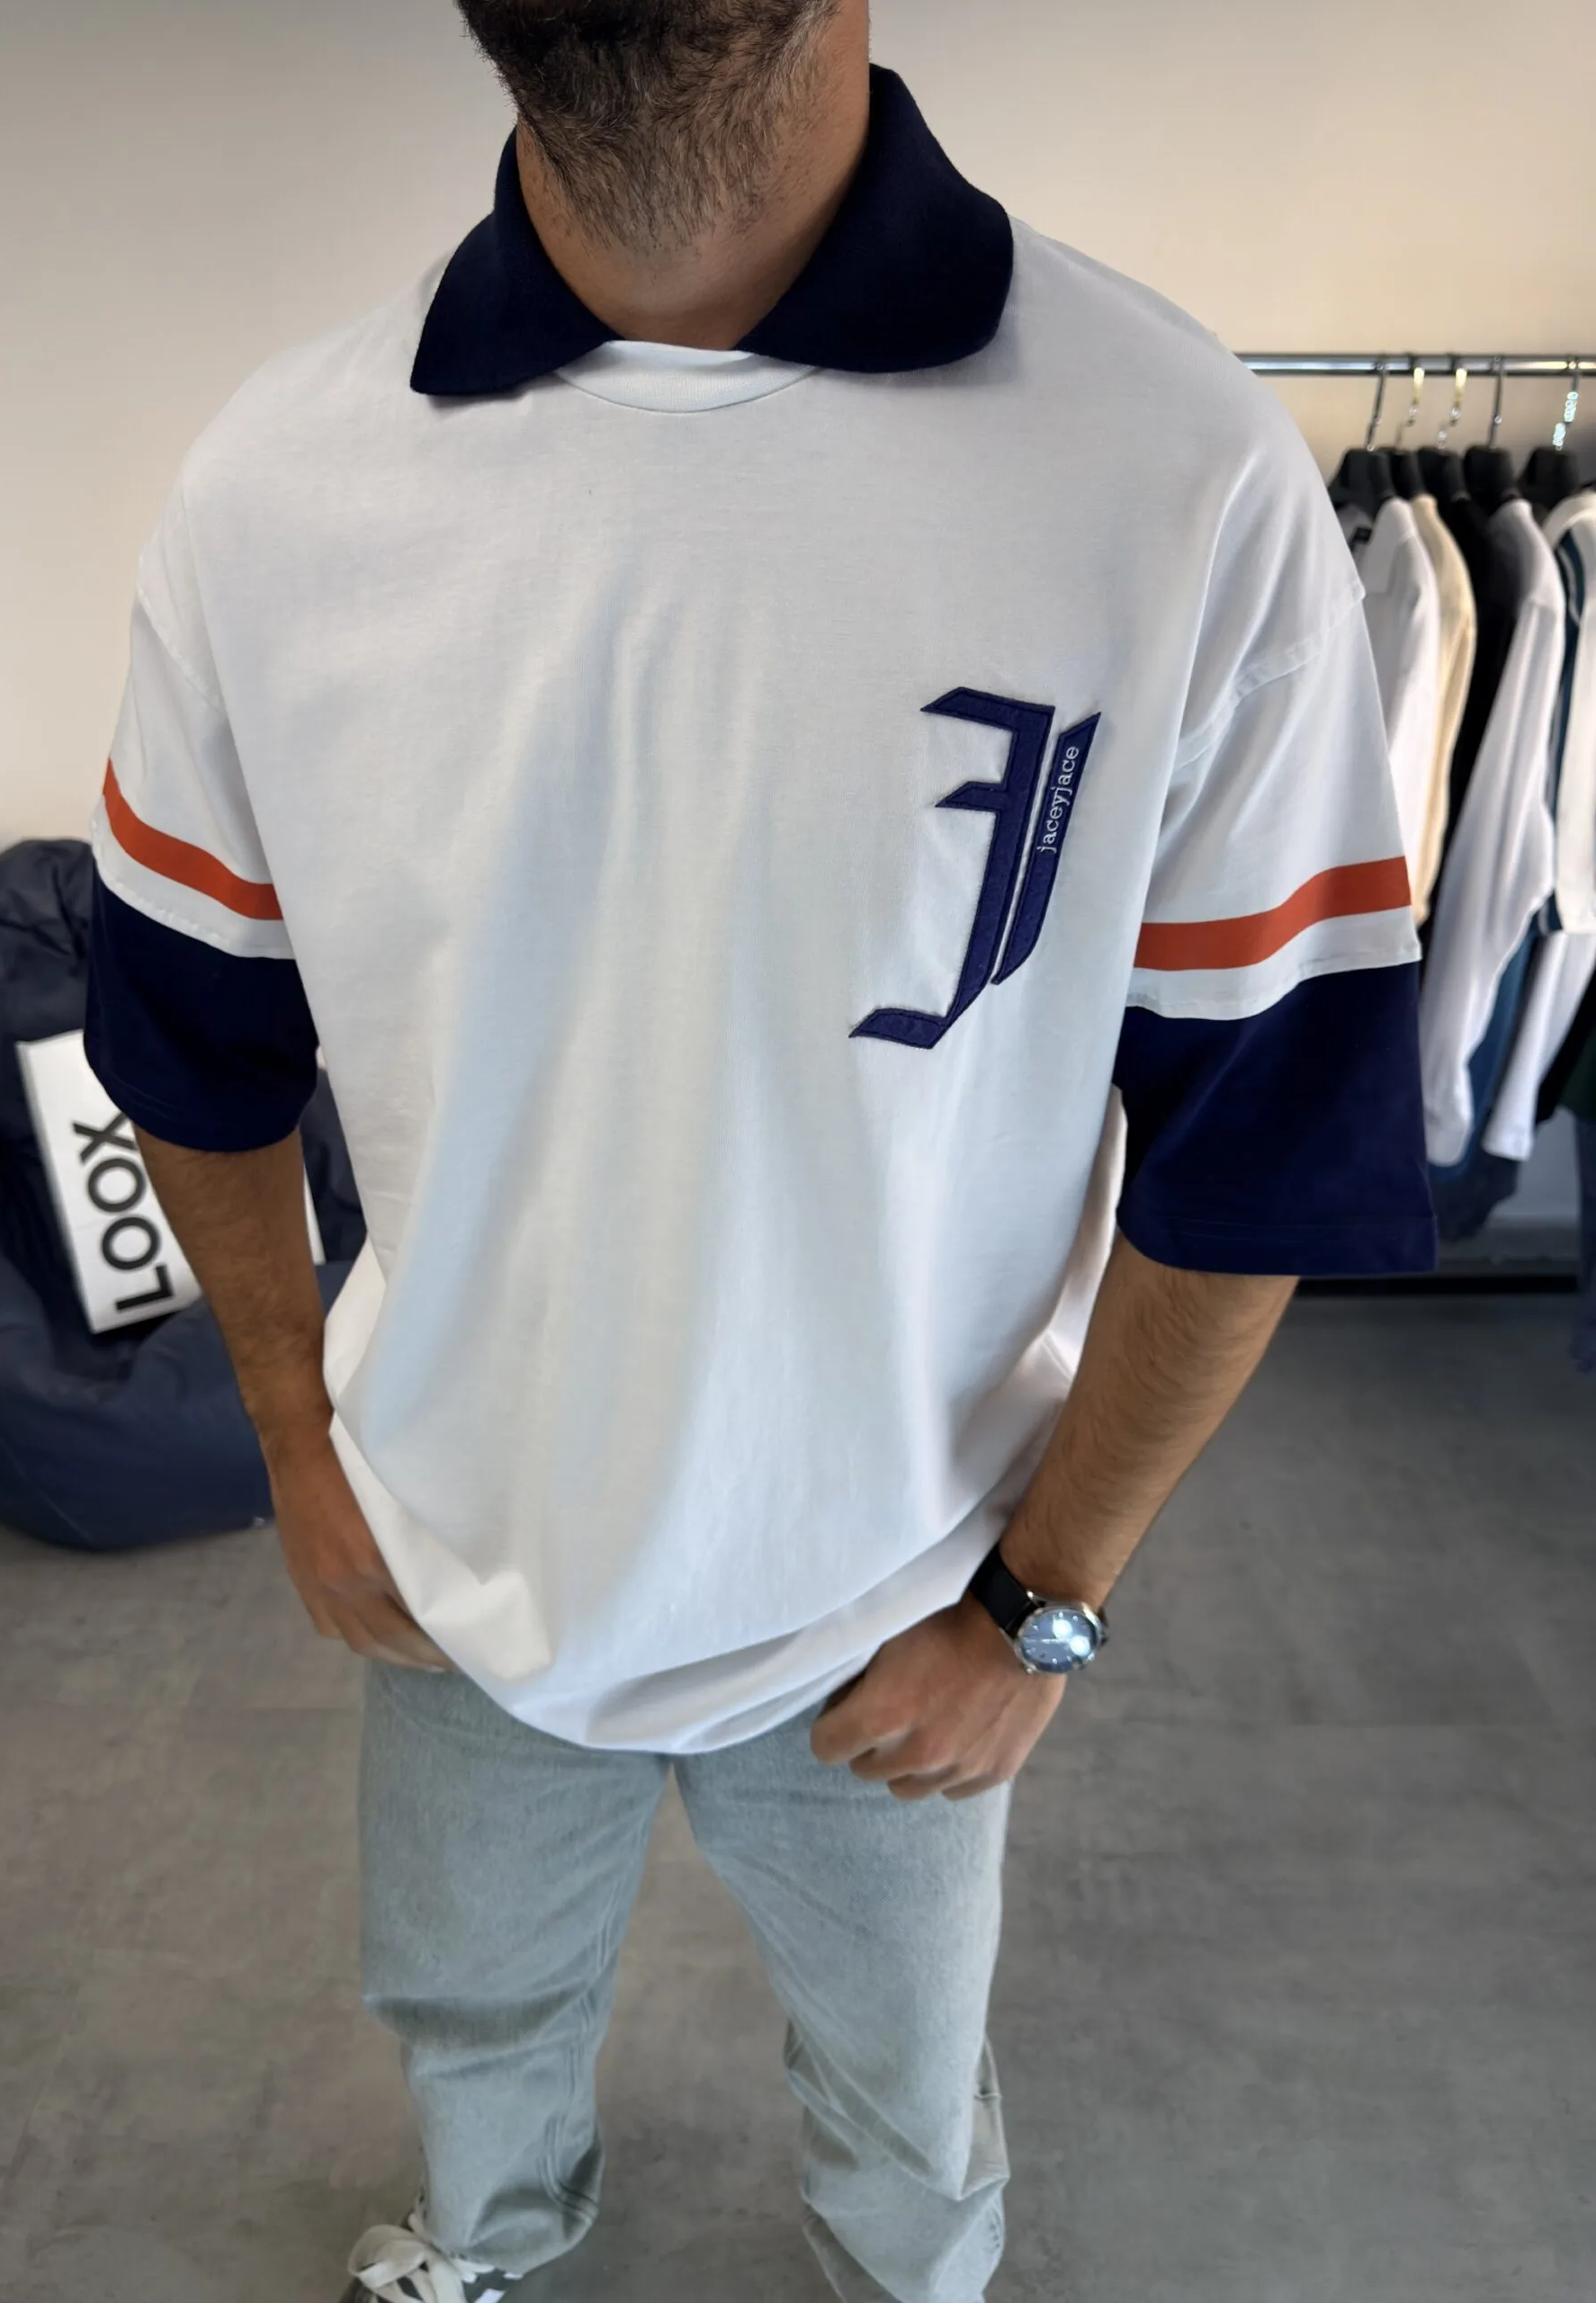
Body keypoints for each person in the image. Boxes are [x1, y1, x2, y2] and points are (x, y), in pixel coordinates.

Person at [82, 4, 1437, 2298]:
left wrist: (1045, 1596)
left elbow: (1269, 1134)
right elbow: (190, 1041)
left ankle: (914, 2270)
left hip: (902, 1567)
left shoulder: (1172, 466)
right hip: (461, 1546)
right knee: (470, 2008)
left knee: (905, 2070)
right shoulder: (278, 490)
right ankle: (489, 2239)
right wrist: (296, 1434)